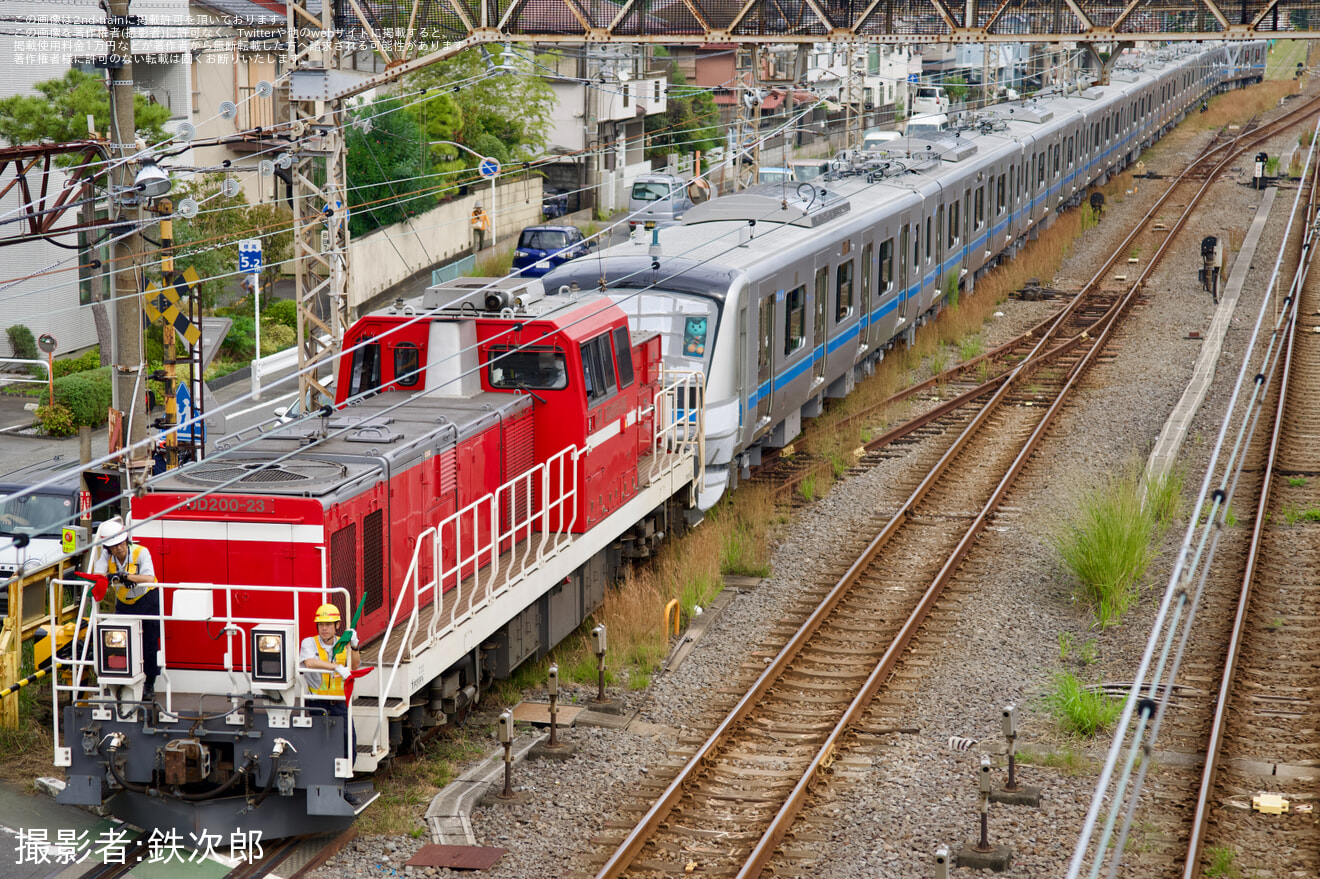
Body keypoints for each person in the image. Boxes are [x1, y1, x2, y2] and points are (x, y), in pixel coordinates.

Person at [92, 519, 159, 701]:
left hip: (147, 600)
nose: (118, 548)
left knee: (149, 642)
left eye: (121, 543)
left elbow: (149, 577)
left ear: (126, 541)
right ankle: (120, 681)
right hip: (124, 603)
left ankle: (149, 684)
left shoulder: (141, 552)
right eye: (114, 546)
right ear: (108, 548)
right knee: (118, 641)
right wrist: (110, 576)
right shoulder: (107, 557)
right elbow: (98, 574)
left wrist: (127, 576)